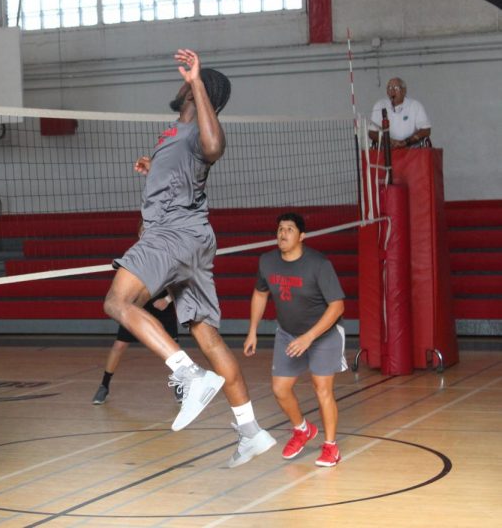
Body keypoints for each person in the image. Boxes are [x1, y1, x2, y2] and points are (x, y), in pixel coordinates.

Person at [104, 48, 276, 469]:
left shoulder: (201, 129)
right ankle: (250, 431)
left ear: (200, 93)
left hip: (172, 233)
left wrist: (199, 81)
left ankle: (187, 374)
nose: (181, 82)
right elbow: (186, 168)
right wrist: (155, 168)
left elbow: (214, 146)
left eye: (190, 81)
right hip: (194, 236)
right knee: (207, 334)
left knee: (117, 302)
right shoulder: (173, 135)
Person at [243, 212, 346, 467]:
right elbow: (259, 294)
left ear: (302, 236)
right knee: (280, 389)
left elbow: (337, 307)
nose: (283, 233)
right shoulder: (267, 261)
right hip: (289, 333)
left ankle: (331, 447)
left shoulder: (319, 264)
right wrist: (252, 331)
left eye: (289, 229)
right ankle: (302, 429)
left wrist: (309, 337)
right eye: (280, 229)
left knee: (322, 389)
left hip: (322, 334)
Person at [93, 292, 180, 405]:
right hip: (137, 305)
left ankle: (180, 383)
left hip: (162, 306)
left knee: (172, 347)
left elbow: (181, 284)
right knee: (119, 345)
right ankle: (104, 385)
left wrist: (167, 300)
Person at [369, 77, 432, 149]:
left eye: (396, 88)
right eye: (389, 88)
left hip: (412, 149)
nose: (392, 91)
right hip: (387, 148)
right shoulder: (380, 105)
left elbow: (426, 130)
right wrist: (389, 141)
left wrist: (406, 142)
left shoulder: (414, 105)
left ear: (404, 91)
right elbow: (372, 132)